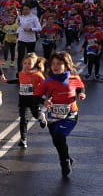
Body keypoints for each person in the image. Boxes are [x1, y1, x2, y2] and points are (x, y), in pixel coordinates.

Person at [35, 50, 86, 179]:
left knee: (58, 137)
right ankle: (67, 157)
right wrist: (44, 101)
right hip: (53, 116)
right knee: (57, 141)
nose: (55, 66)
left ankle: (64, 162)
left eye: (59, 64)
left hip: (70, 115)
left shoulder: (74, 78)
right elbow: (36, 96)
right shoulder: (48, 81)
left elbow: (80, 87)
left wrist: (81, 93)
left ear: (66, 65)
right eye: (53, 64)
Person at [15, 52, 47, 149]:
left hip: (34, 99)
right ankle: (23, 139)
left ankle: (41, 117)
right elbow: (19, 80)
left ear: (34, 64)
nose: (27, 65)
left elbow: (45, 85)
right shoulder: (21, 73)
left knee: (35, 115)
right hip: (23, 100)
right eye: (25, 63)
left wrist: (45, 95)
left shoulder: (38, 74)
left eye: (29, 63)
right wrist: (7, 81)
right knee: (23, 119)